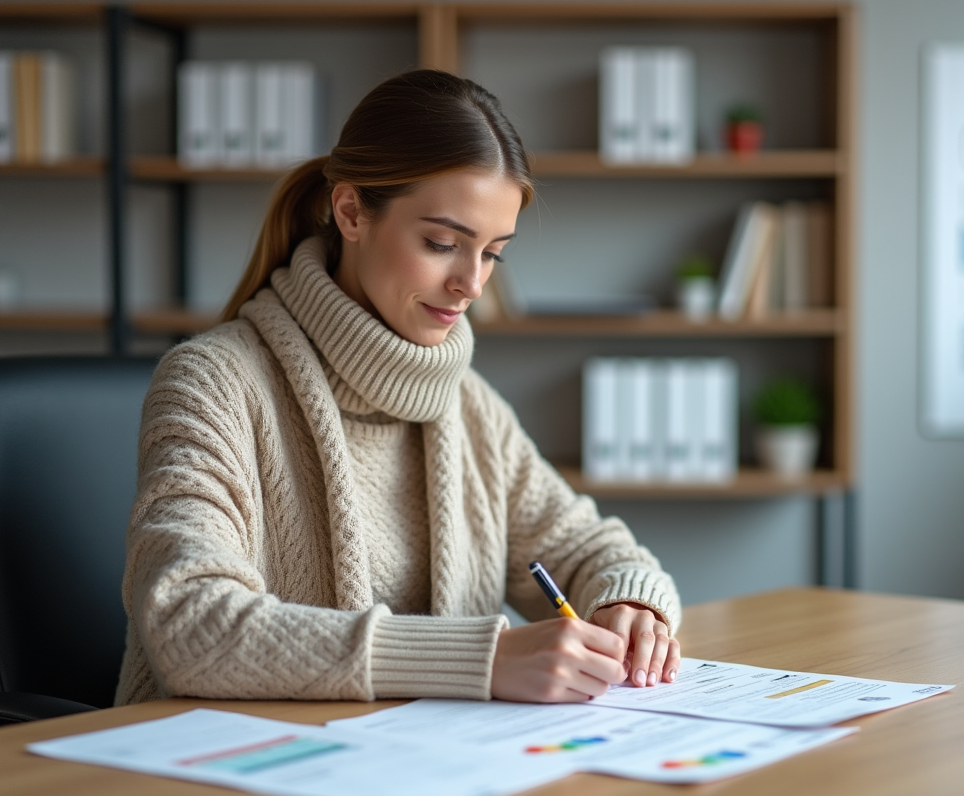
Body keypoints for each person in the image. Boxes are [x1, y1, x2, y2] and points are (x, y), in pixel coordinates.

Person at [115, 70, 682, 706]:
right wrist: (481, 659)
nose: (471, 283)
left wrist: (631, 603)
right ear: (351, 212)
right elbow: (188, 622)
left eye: (494, 253)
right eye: (443, 243)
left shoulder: (469, 407)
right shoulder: (212, 383)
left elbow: (588, 547)